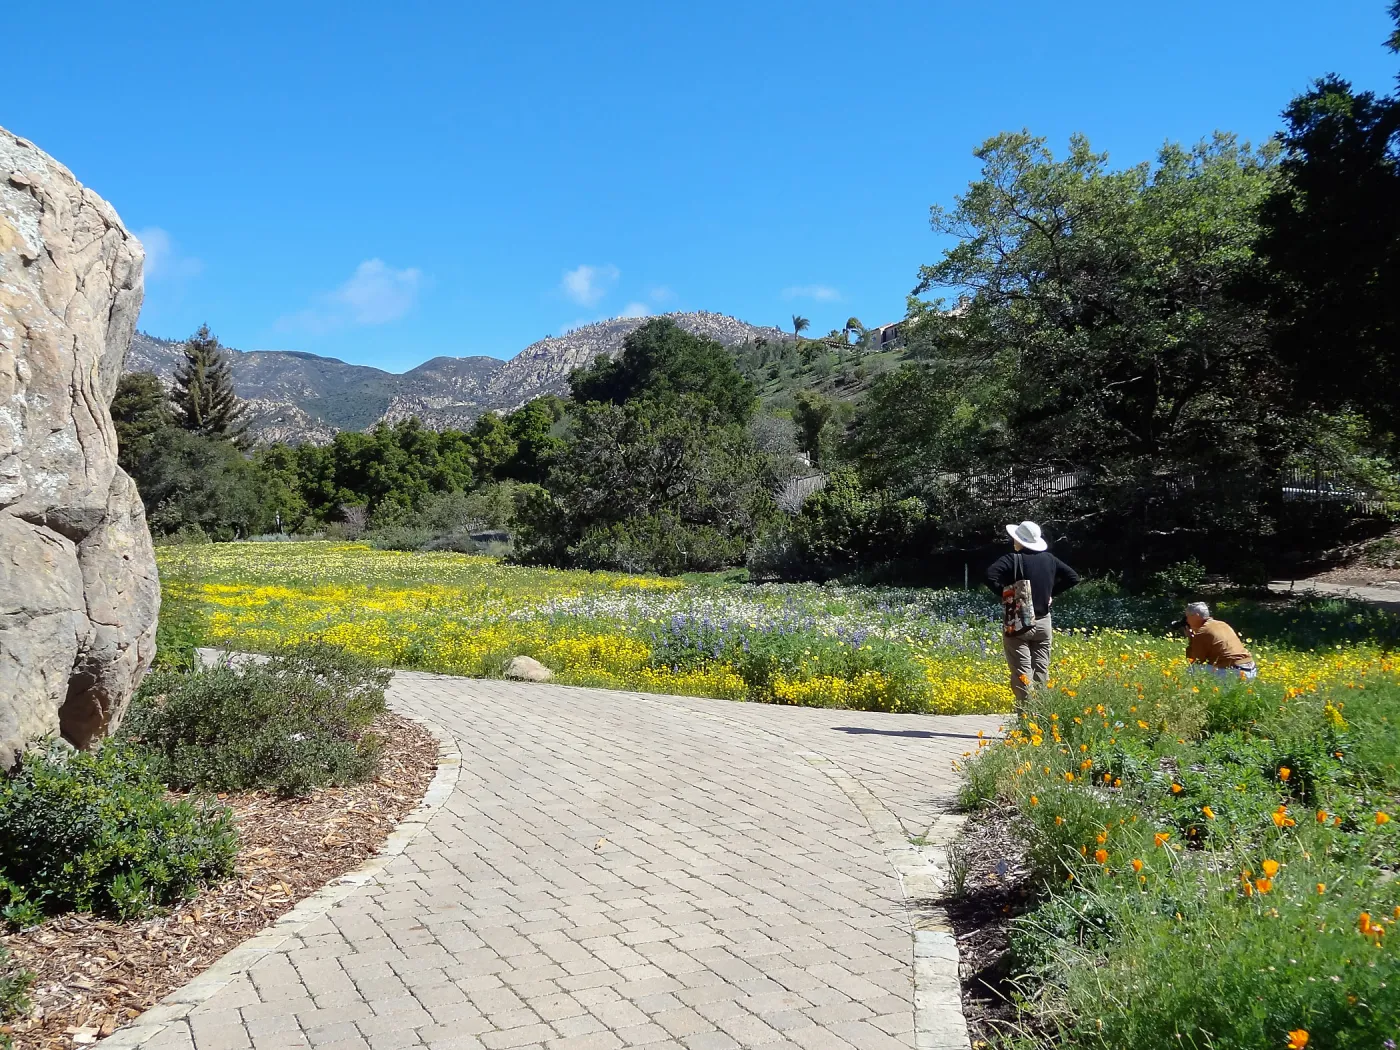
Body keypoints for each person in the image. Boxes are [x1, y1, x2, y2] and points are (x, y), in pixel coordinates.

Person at [985, 520, 1080, 705]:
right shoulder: (1050, 559)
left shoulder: (1012, 558)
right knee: (1041, 675)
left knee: (1022, 676)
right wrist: (1051, 594)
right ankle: (1043, 722)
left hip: (1019, 622)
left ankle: (1028, 723)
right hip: (1044, 623)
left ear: (1019, 540)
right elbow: (1073, 577)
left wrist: (1006, 595)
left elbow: (989, 575)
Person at [1183, 601, 1257, 680]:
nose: (1187, 620)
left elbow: (1195, 659)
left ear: (1196, 616)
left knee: (1192, 669)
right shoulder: (1222, 624)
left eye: (1187, 617)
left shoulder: (1203, 631)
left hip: (1236, 671)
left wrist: (1191, 639)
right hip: (1251, 669)